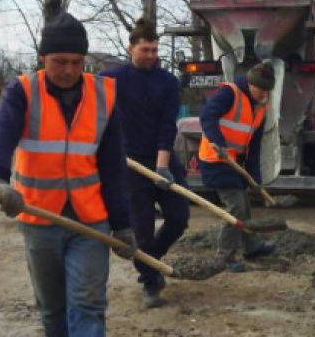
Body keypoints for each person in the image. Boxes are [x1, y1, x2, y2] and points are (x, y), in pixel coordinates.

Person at [0, 12, 138, 337]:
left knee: (88, 306)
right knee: (52, 305)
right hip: (39, 218)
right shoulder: (23, 91)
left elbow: (111, 163)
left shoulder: (103, 95)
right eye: (60, 62)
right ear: (42, 59)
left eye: (76, 62)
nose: (69, 71)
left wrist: (122, 225)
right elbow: (0, 137)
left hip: (89, 221)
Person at [102, 18, 189, 310]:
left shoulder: (167, 81)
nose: (151, 55)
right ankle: (150, 282)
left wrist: (163, 166)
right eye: (146, 49)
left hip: (161, 158)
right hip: (129, 162)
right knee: (141, 227)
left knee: (179, 217)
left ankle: (152, 260)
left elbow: (168, 125)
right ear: (131, 48)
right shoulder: (112, 80)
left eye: (155, 50)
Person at [197, 63, 278, 272]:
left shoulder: (261, 107)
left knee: (245, 205)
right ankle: (225, 255)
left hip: (235, 161)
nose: (263, 95)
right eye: (260, 90)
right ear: (250, 84)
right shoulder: (229, 93)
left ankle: (251, 247)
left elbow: (254, 146)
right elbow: (207, 115)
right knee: (236, 208)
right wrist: (218, 143)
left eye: (267, 91)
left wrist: (256, 181)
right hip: (215, 159)